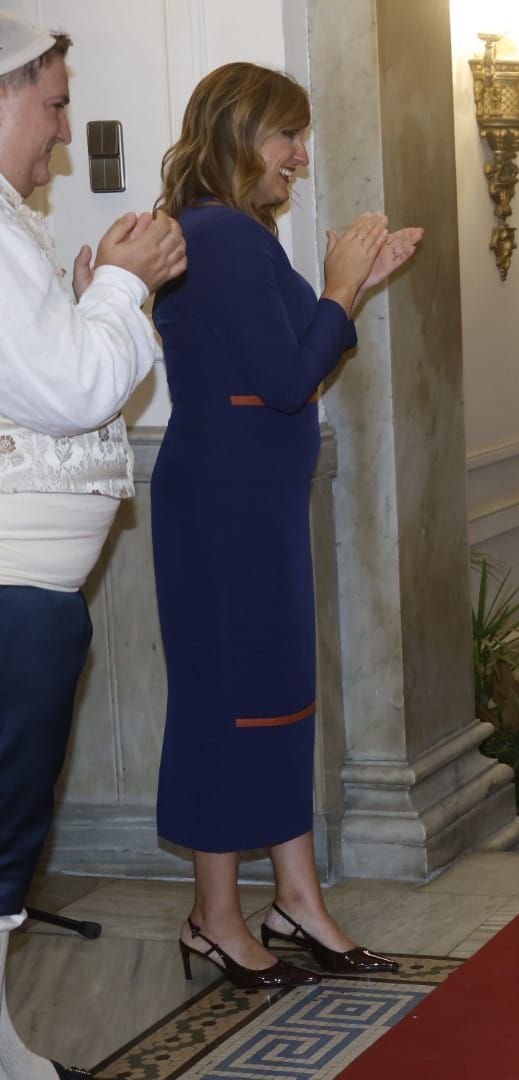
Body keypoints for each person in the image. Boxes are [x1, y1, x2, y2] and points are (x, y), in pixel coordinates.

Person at [151, 62, 421, 989]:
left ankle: (296, 899)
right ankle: (215, 916)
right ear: (239, 133)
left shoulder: (235, 234)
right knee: (231, 702)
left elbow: (301, 364)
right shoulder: (222, 235)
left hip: (250, 506)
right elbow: (284, 379)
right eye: (287, 136)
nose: (300, 156)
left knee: (273, 695)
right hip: (224, 512)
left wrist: (356, 286)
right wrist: (341, 286)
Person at [0, 16, 187, 1079]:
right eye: (56, 104)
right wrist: (121, 288)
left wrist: (89, 301)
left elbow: (41, 379)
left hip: (27, 593)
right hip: (10, 589)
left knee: (9, 828)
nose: (67, 132)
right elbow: (74, 388)